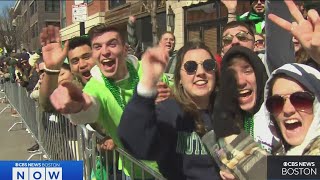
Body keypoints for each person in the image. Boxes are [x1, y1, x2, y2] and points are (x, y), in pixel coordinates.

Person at [48, 24, 170, 178]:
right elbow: (88, 109)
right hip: (136, 172)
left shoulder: (146, 69)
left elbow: (180, 101)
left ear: (125, 49)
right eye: (97, 47)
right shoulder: (95, 86)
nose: (105, 52)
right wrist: (75, 105)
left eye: (112, 44)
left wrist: (169, 97)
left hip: (175, 164)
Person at [118, 41, 221, 180]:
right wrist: (148, 83)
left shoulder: (226, 110)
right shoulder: (170, 110)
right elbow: (138, 144)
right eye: (191, 67)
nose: (201, 72)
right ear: (179, 79)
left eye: (208, 65)